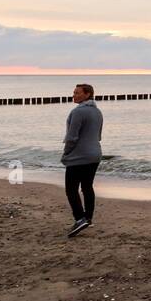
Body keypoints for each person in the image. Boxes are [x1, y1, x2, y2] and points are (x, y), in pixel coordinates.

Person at [62, 82, 103, 237]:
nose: (74, 95)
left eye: (77, 93)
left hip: (79, 156)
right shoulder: (98, 112)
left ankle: (80, 219)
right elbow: (98, 136)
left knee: (71, 189)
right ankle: (88, 219)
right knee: (87, 187)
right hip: (95, 154)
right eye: (74, 92)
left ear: (87, 94)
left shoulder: (78, 112)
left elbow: (71, 137)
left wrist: (66, 153)